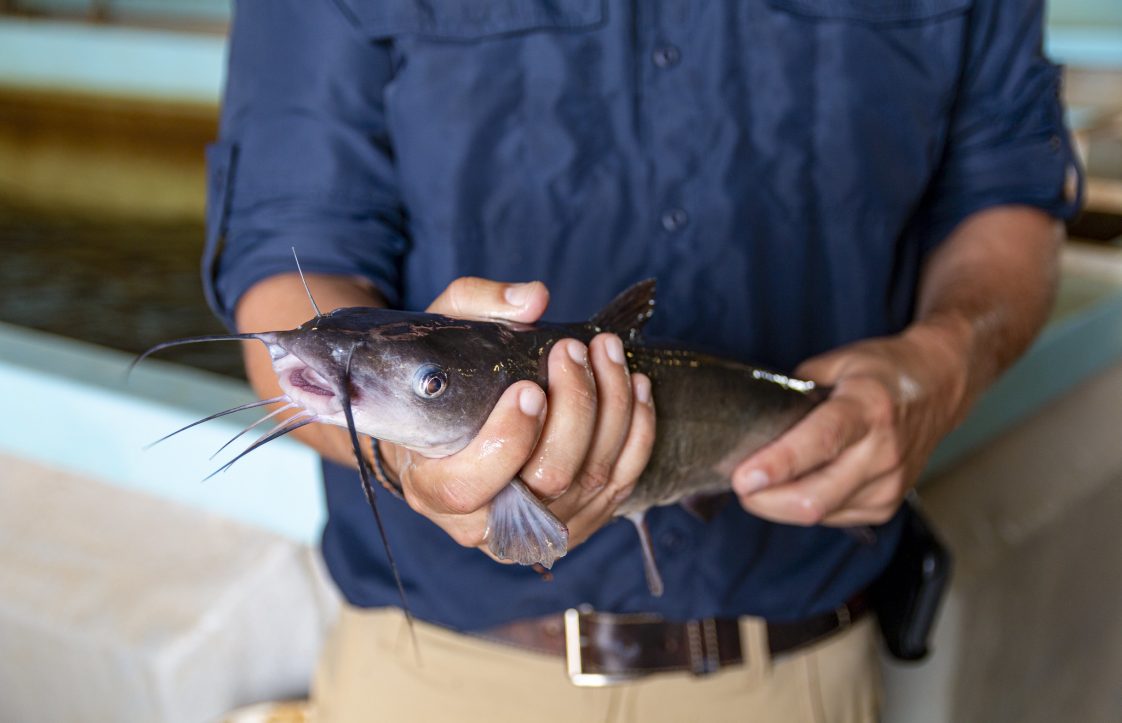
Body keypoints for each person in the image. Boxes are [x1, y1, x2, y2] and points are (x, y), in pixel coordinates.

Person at [202, 1, 1080, 720]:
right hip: (448, 679)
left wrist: (945, 357)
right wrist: (407, 454)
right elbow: (291, 261)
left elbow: (1006, 195)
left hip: (800, 673)